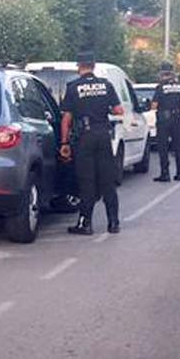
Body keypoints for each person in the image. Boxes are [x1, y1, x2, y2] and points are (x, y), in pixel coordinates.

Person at [60, 52, 124, 235]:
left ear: (79, 66)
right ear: (94, 65)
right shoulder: (106, 85)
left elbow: (66, 119)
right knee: (108, 182)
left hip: (84, 137)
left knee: (87, 182)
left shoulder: (73, 87)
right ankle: (113, 223)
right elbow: (119, 110)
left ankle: (85, 224)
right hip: (103, 135)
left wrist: (64, 143)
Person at [152, 64, 180, 182]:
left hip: (163, 120)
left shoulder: (160, 87)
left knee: (163, 147)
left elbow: (154, 105)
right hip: (177, 119)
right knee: (178, 147)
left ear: (163, 74)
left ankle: (165, 174)